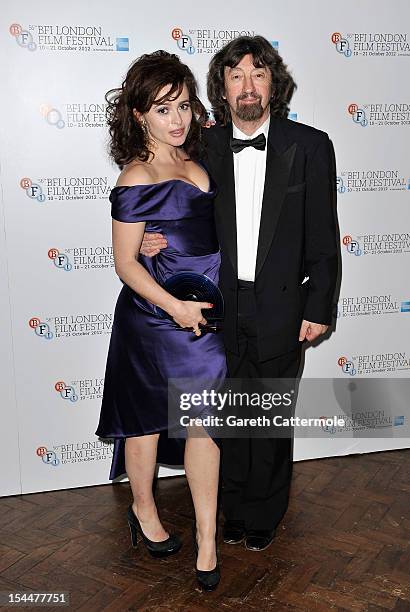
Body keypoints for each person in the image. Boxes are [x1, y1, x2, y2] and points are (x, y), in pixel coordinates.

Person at [141, 36, 338, 552]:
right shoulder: (200, 147)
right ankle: (229, 508)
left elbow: (323, 234)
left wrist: (319, 305)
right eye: (236, 75)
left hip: (281, 305)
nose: (248, 85)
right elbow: (162, 193)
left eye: (258, 73)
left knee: (269, 416)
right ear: (222, 90)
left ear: (274, 84)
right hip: (215, 304)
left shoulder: (310, 146)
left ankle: (264, 515)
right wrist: (144, 235)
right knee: (223, 415)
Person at [95, 50, 226, 591]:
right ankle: (144, 513)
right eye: (162, 108)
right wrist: (172, 305)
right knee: (145, 423)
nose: (177, 119)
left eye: (184, 106)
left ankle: (207, 540)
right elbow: (125, 263)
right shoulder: (135, 177)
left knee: (207, 425)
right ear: (139, 115)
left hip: (207, 318)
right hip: (155, 316)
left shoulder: (200, 160)